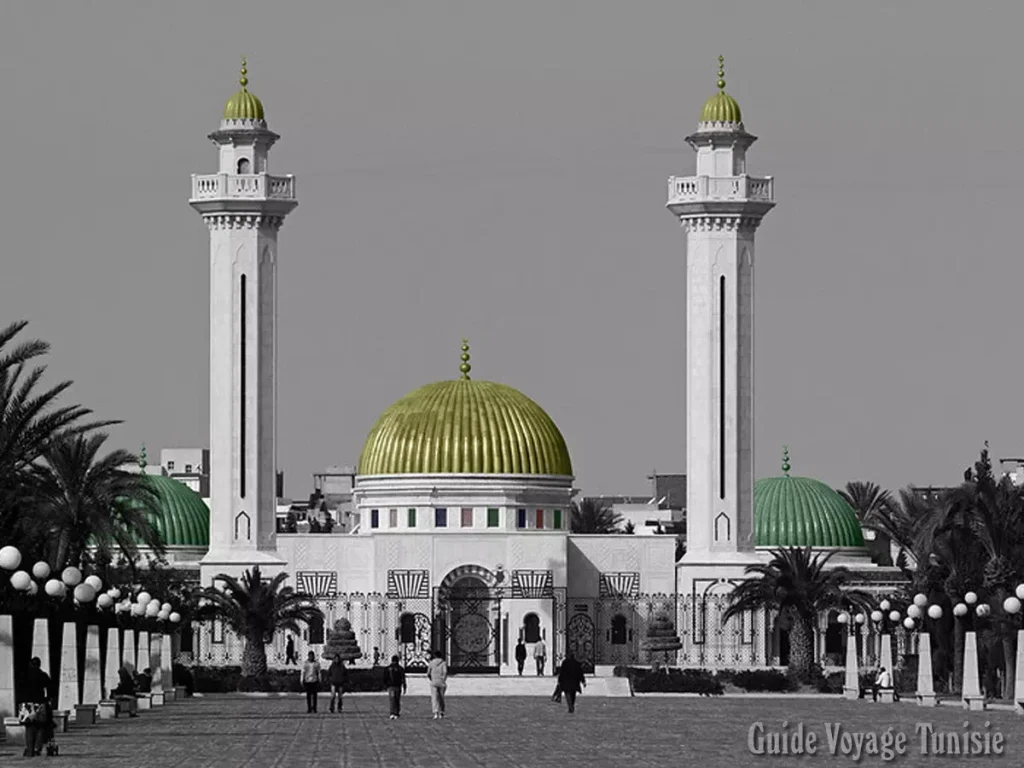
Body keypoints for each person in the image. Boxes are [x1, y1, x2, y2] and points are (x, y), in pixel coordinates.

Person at [20, 657, 53, 757]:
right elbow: (50, 688)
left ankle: (29, 749)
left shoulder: (25, 675)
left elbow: (20, 687)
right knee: (40, 726)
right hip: (40, 703)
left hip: (27, 704)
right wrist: (47, 699)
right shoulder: (43, 675)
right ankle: (36, 749)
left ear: (30, 664)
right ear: (39, 664)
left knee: (29, 727)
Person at [426, 649, 448, 719]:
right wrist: (443, 679)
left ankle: (435, 712)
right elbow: (445, 672)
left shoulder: (432, 663)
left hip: (434, 681)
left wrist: (431, 678)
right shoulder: (443, 663)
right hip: (441, 681)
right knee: (441, 698)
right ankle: (441, 712)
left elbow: (428, 673)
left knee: (434, 698)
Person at [383, 655, 407, 720]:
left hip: (390, 686)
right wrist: (404, 686)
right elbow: (403, 678)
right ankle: (396, 713)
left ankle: (392, 713)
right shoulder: (400, 669)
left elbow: (385, 678)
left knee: (392, 699)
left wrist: (385, 685)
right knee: (397, 699)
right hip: (397, 686)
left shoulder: (387, 668)